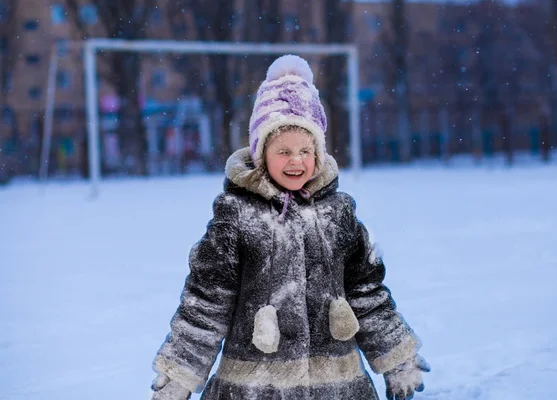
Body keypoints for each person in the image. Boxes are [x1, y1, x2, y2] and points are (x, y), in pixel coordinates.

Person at [150, 55, 429, 400]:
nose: (296, 160)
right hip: (255, 388)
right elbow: (208, 300)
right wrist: (180, 373)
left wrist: (397, 358)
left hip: (337, 388)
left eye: (305, 150)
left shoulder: (338, 214)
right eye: (283, 151)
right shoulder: (236, 216)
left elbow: (367, 293)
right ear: (260, 153)